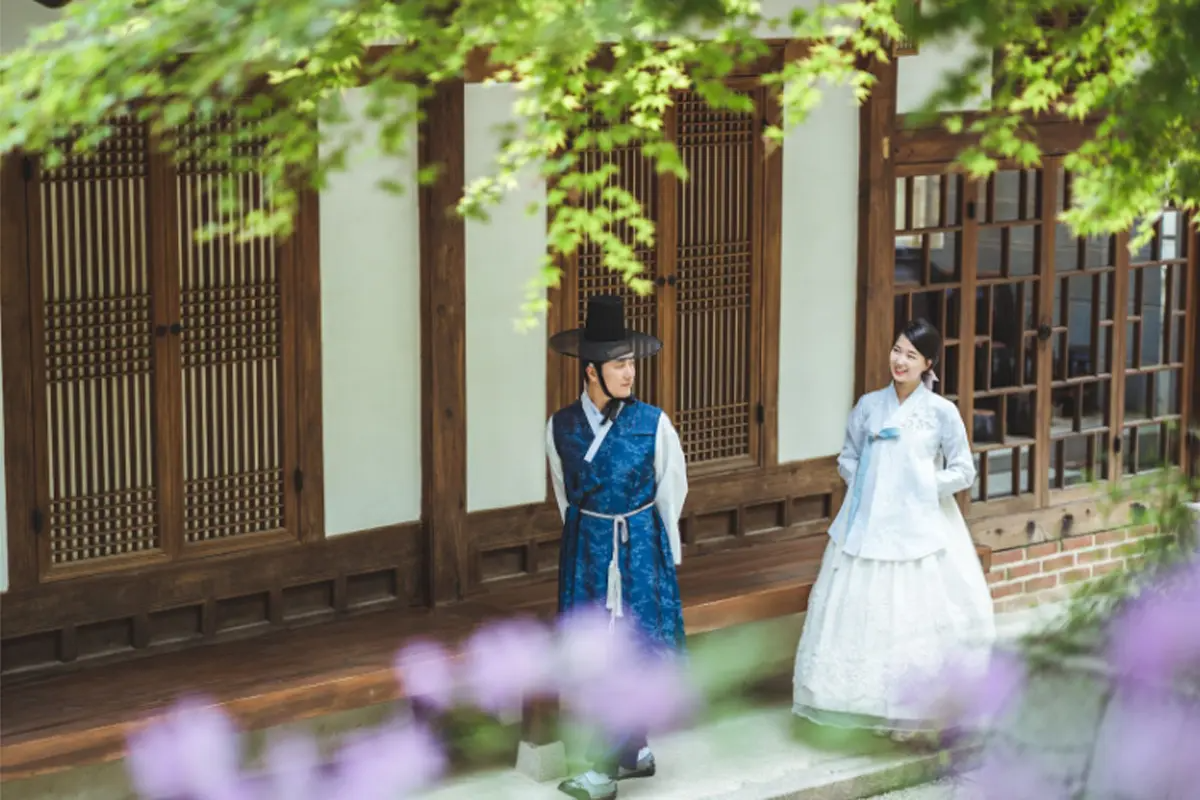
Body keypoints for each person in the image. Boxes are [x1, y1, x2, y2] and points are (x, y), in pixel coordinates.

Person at [792, 318, 996, 738]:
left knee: (911, 610)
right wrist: (867, 478)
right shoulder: (869, 405)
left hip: (919, 525)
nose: (900, 361)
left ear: (928, 364)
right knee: (859, 609)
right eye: (897, 350)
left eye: (911, 355)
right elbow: (846, 457)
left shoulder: (941, 413)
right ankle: (855, 705)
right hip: (866, 522)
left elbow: (963, 470)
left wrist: (923, 485)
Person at [546, 294, 688, 800]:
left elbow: (671, 492)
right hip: (587, 549)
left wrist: (661, 557)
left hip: (639, 549)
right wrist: (590, 537)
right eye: (618, 365)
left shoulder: (654, 423)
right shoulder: (561, 426)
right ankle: (628, 752)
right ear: (591, 372)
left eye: (631, 363)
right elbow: (565, 495)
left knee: (632, 649)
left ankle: (609, 766)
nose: (629, 373)